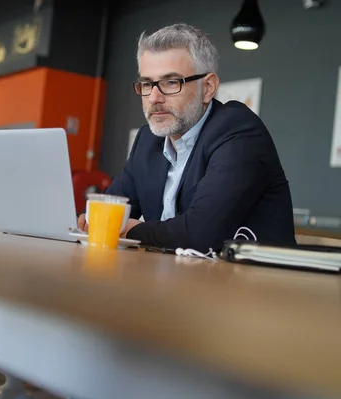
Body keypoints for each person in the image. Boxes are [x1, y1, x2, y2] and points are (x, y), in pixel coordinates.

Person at [78, 23, 296, 252]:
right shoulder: (147, 141)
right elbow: (104, 210)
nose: (154, 97)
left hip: (255, 283)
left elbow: (200, 234)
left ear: (209, 87)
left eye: (171, 82)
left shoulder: (238, 131)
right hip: (176, 279)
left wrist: (130, 230)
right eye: (146, 83)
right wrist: (88, 220)